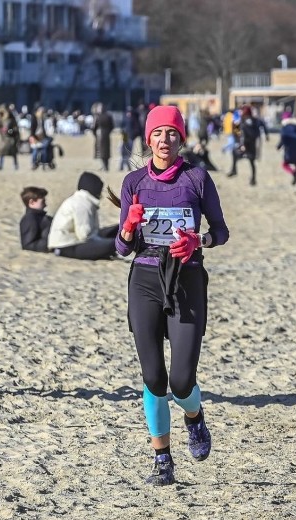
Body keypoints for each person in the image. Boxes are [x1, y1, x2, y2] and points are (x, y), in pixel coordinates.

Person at [115, 105, 229, 486]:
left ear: (182, 138)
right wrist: (129, 228)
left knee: (181, 381)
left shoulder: (196, 178)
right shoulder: (133, 181)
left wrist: (201, 240)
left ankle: (195, 418)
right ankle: (162, 458)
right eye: (158, 133)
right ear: (148, 139)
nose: (165, 140)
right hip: (145, 279)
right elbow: (120, 248)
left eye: (172, 133)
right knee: (153, 378)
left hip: (187, 279)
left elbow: (222, 232)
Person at [48, 172, 117, 260]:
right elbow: (84, 235)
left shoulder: (83, 200)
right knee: (116, 243)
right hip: (67, 245)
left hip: (71, 242)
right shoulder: (82, 204)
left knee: (117, 230)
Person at [276, 116, 296, 190]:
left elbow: (283, 138)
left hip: (289, 150)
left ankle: (294, 174)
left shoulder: (285, 128)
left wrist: (279, 146)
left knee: (285, 164)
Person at [19, 186, 52, 252]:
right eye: (43, 202)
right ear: (32, 202)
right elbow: (28, 245)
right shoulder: (30, 219)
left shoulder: (40, 217)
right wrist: (51, 242)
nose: (45, 205)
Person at [0, 105, 20, 171]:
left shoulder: (12, 119)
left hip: (11, 139)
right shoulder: (1, 119)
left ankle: (15, 165)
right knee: (1, 151)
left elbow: (16, 128)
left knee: (13, 153)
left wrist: (12, 131)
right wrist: (1, 130)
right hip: (4, 139)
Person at [92, 103, 114, 172]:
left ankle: (104, 166)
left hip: (100, 135)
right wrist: (108, 132)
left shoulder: (97, 117)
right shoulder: (109, 116)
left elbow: (93, 127)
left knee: (101, 152)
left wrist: (95, 134)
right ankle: (106, 166)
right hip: (106, 135)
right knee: (106, 151)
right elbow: (112, 126)